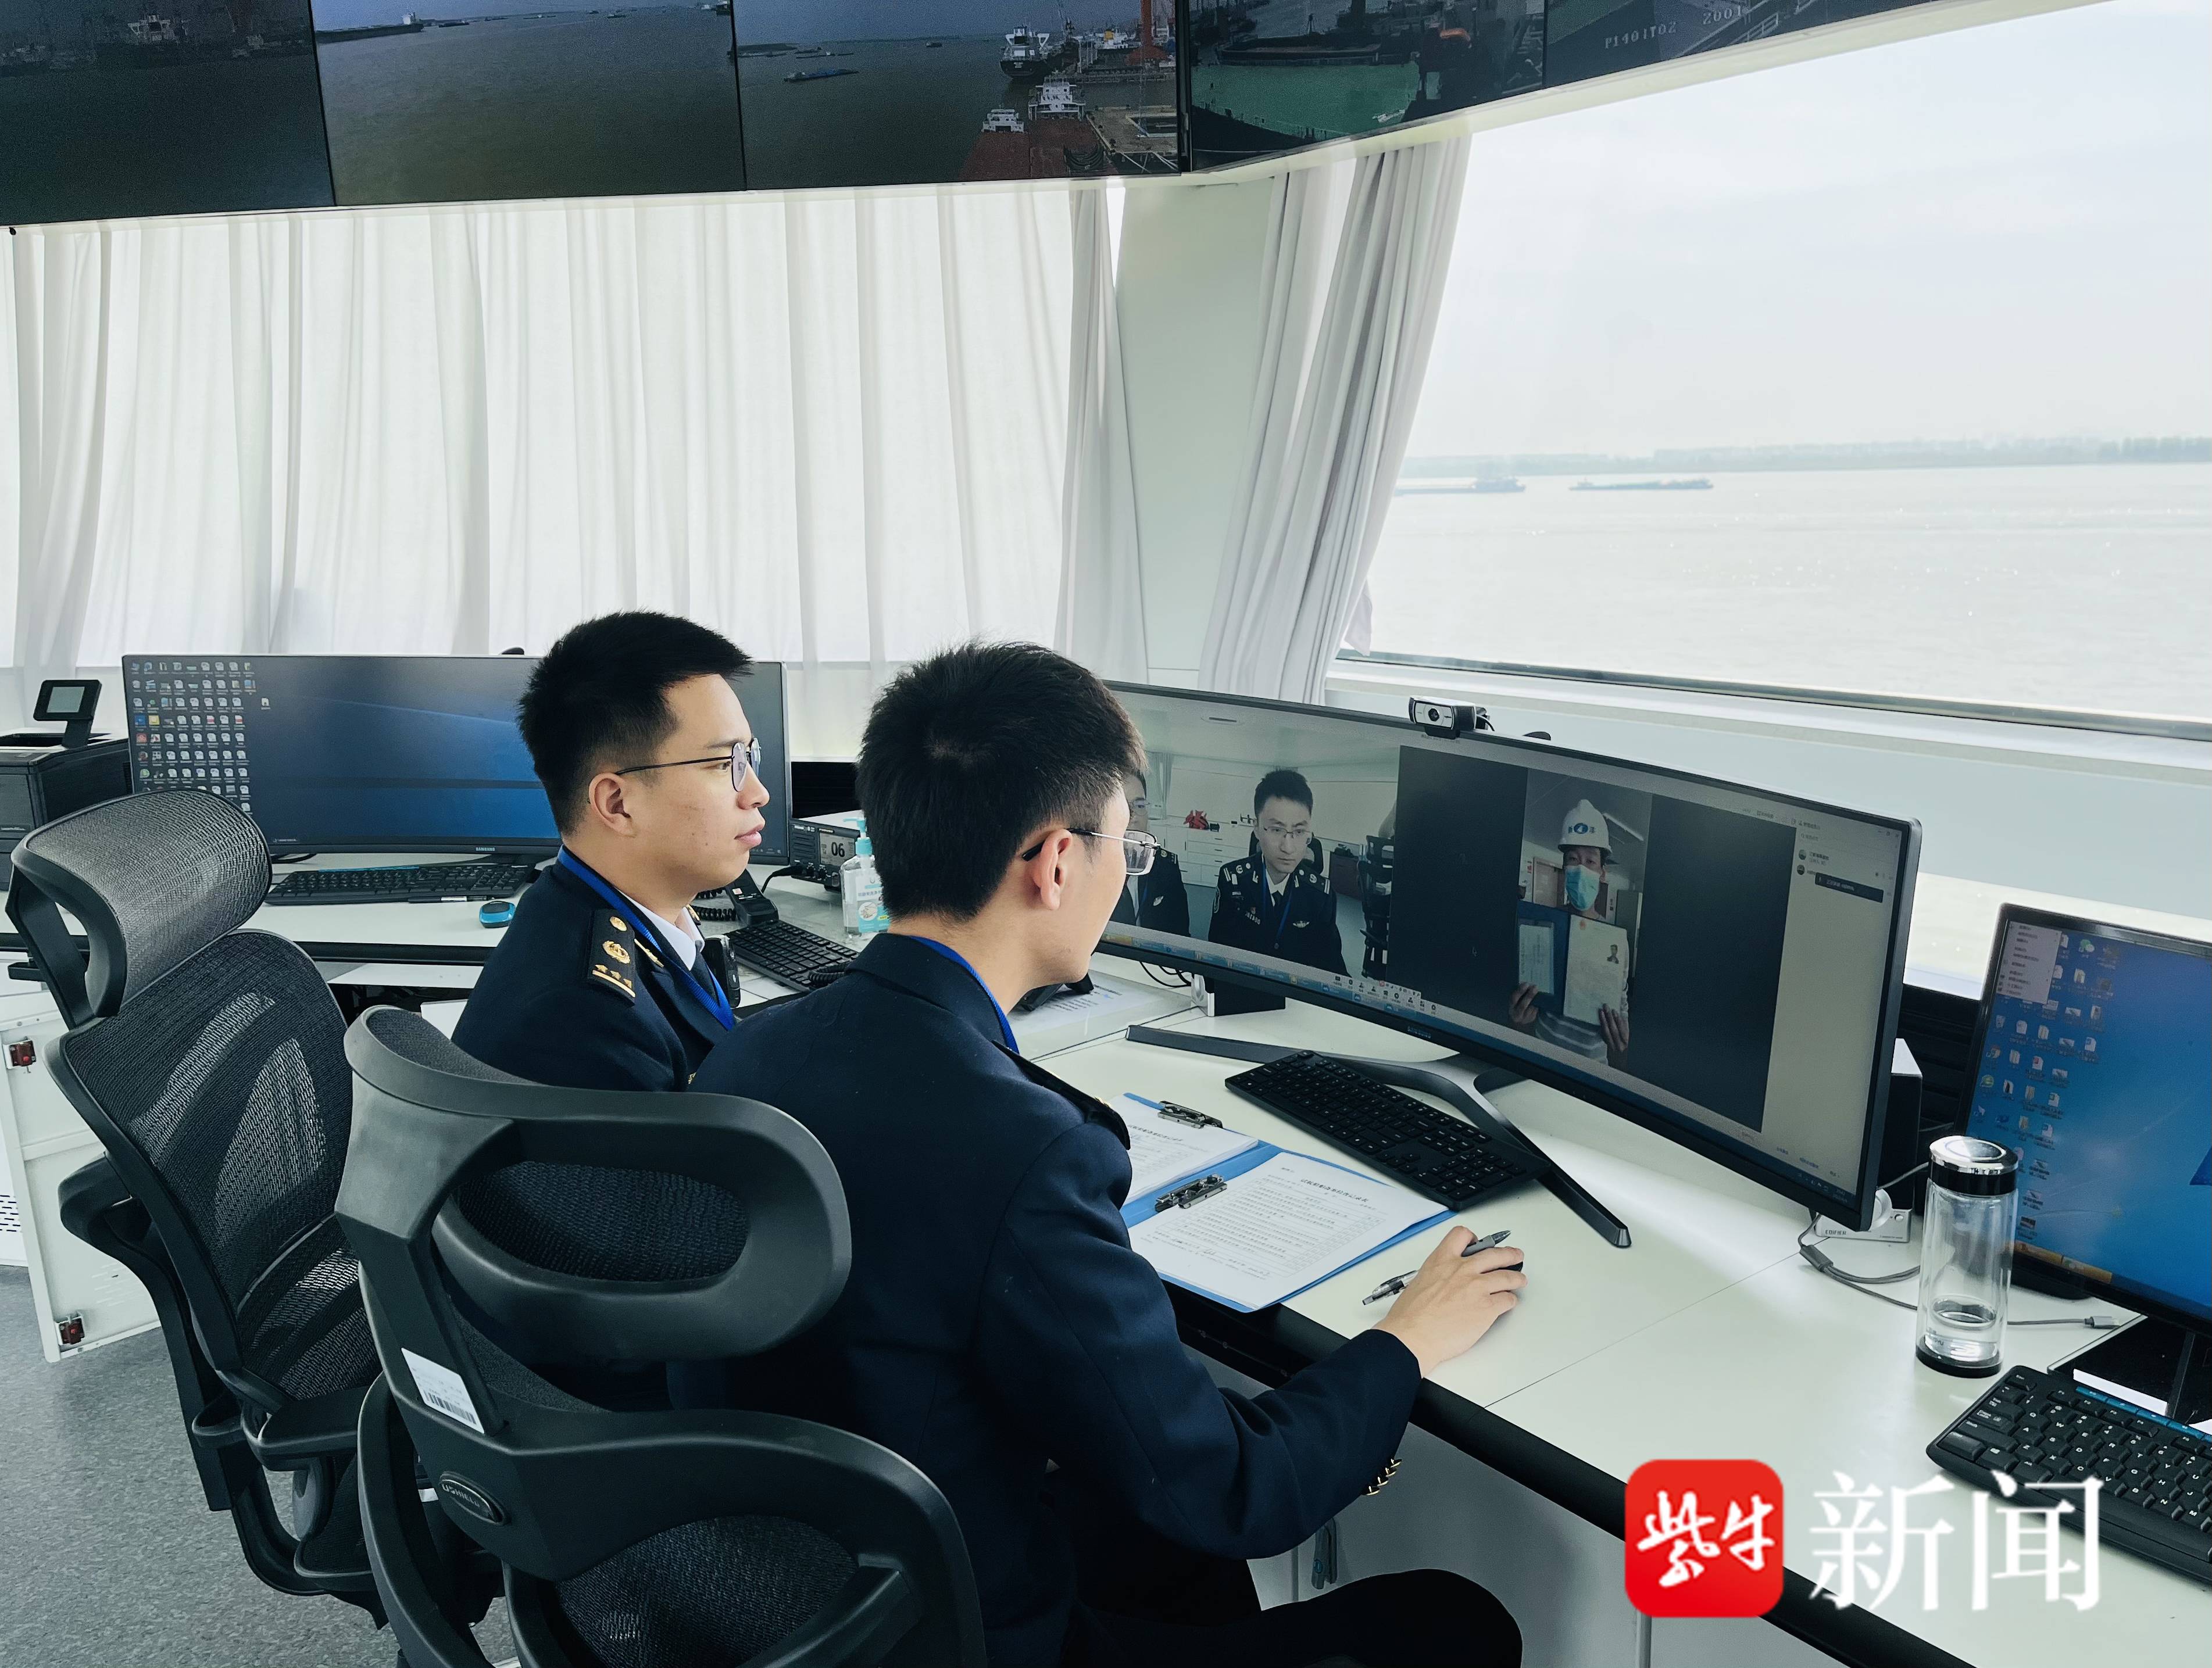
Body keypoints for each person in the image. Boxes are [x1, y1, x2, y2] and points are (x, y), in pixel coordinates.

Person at [695, 643, 1525, 1668]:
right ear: (1055, 864)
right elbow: (1236, 1490)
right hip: (974, 1638)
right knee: (1452, 1624)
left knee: (1167, 1544)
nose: (1127, 873)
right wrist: (1404, 1343)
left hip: (810, 1591)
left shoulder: (746, 1052)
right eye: (1126, 847)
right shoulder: (1025, 1149)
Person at [453, 611, 772, 1092]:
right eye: (721, 763)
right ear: (618, 804)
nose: (756, 793)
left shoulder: (615, 910)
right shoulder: (585, 1023)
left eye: (748, 757)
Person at [1509, 797, 1631, 1066]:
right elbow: (1526, 998)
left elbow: (1621, 1006)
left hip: (1592, 1070)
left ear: (1602, 873)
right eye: (1573, 859)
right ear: (1565, 868)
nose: (1581, 869)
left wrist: (1620, 1040)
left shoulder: (1615, 942)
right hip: (1541, 1060)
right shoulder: (1541, 927)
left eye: (1591, 861)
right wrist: (1519, 1020)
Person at [1205, 768, 1346, 976]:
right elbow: (1218, 953)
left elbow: (1332, 967)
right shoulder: (1233, 880)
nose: (1288, 848)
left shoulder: (1321, 894)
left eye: (1299, 831)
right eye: (1277, 830)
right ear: (1257, 829)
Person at [1107, 776, 1189, 936]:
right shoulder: (1084, 868)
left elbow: (1181, 936)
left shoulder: (1166, 867)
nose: (1133, 816)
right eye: (1122, 805)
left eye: (1140, 806)